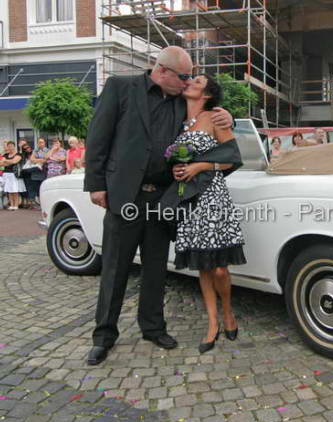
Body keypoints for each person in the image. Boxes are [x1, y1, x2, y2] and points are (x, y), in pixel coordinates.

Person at [83, 46, 233, 366]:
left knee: (155, 268)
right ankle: (104, 336)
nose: (188, 81)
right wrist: (96, 184)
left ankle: (152, 327)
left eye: (191, 77)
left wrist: (227, 114)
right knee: (115, 268)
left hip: (163, 199)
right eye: (184, 76)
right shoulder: (121, 87)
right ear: (162, 70)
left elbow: (207, 114)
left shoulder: (182, 101)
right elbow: (98, 136)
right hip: (125, 195)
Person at [171, 74, 245, 354]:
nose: (190, 81)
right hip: (189, 198)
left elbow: (232, 158)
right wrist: (177, 169)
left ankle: (228, 312)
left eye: (198, 81)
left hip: (213, 197)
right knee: (203, 265)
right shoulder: (178, 120)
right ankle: (213, 323)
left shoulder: (215, 117)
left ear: (208, 94)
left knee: (220, 268)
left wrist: (200, 166)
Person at [0, 141, 26, 210]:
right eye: (9, 146)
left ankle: (16, 205)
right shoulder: (5, 155)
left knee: (15, 190)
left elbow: (14, 161)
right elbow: (1, 163)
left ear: (14, 147)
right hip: (6, 174)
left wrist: (6, 161)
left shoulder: (18, 154)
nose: (10, 147)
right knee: (9, 191)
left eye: (11, 146)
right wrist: (8, 161)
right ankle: (11, 205)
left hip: (14, 174)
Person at [17, 139, 34, 208]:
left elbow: (31, 158)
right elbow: (19, 157)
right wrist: (20, 149)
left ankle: (29, 202)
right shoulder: (20, 153)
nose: (26, 148)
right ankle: (23, 201)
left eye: (24, 144)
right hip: (22, 172)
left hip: (29, 172)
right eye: (22, 144)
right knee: (22, 187)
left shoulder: (31, 152)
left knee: (29, 187)